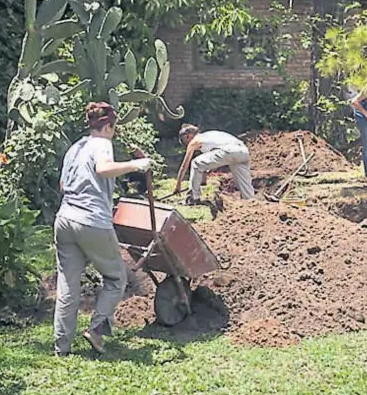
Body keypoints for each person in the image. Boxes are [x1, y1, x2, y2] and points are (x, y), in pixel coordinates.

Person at [54, 102, 152, 357]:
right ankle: (97, 329)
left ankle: (61, 349)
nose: (114, 132)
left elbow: (63, 185)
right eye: (113, 128)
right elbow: (103, 169)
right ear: (107, 126)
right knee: (117, 278)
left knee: (67, 285)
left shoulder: (75, 147)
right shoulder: (102, 144)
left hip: (64, 219)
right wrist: (136, 165)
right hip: (91, 221)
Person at [174, 124, 254, 204]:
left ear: (188, 136)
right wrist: (202, 181)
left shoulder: (195, 140)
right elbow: (208, 164)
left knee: (195, 163)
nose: (187, 145)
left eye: (185, 142)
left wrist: (178, 186)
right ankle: (250, 203)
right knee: (245, 184)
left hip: (229, 151)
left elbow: (184, 166)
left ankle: (193, 198)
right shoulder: (209, 136)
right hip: (243, 151)